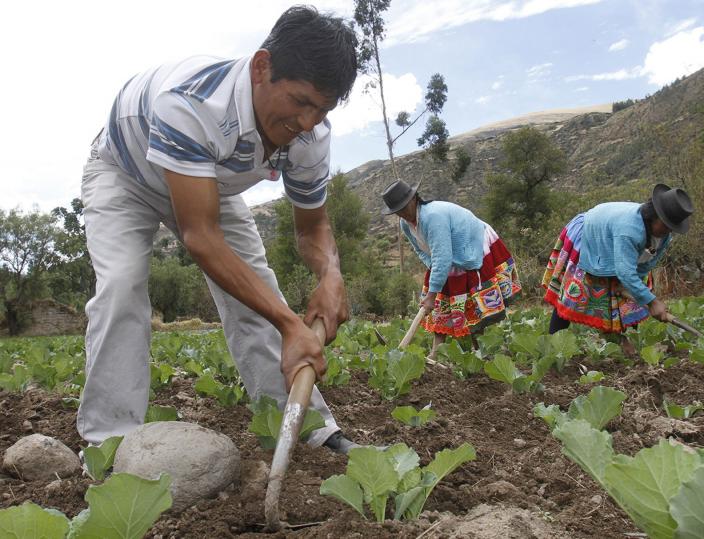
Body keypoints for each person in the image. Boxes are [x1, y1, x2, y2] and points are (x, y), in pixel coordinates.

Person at [77, 6, 363, 454]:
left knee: (256, 291)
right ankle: (109, 444)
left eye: (321, 109)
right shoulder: (191, 103)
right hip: (125, 173)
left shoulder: (310, 136)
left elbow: (313, 226)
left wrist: (331, 274)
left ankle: (304, 427)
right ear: (261, 67)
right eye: (300, 101)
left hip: (209, 181)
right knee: (122, 285)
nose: (306, 122)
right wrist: (291, 323)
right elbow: (200, 237)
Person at [541, 184, 694, 355]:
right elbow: (625, 272)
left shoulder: (663, 235)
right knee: (573, 295)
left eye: (671, 228)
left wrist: (632, 287)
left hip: (613, 241)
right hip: (589, 235)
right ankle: (553, 347)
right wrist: (652, 301)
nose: (668, 232)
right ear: (654, 216)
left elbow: (647, 263)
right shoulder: (629, 231)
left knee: (629, 296)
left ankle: (622, 342)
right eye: (666, 226)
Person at [381, 180, 522, 358]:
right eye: (397, 211)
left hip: (472, 247)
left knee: (475, 304)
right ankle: (435, 352)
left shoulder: (433, 217)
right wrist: (433, 269)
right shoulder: (405, 223)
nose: (401, 213)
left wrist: (432, 293)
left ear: (414, 199)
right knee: (441, 304)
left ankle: (480, 351)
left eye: (403, 207)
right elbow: (421, 250)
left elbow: (443, 256)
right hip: (447, 256)